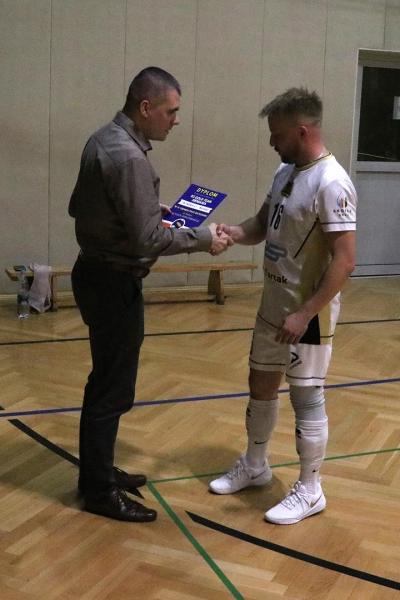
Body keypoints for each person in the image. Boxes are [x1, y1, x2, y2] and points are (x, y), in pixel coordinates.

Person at [69, 66, 232, 523]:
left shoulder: (102, 139)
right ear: (145, 108)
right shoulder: (130, 158)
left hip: (94, 273)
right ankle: (98, 491)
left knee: (105, 381)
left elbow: (78, 206)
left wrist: (140, 207)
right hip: (113, 281)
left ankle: (98, 473)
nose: (175, 120)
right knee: (112, 389)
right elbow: (147, 240)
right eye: (170, 111)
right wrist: (203, 239)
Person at [209, 87, 357, 525]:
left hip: (306, 314)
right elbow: (262, 223)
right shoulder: (285, 171)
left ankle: (311, 490)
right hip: (272, 303)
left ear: (302, 130)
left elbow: (345, 260)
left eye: (277, 134)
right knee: (260, 383)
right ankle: (255, 466)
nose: (272, 142)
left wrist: (306, 312)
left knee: (306, 395)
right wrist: (233, 233)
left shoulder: (332, 183)